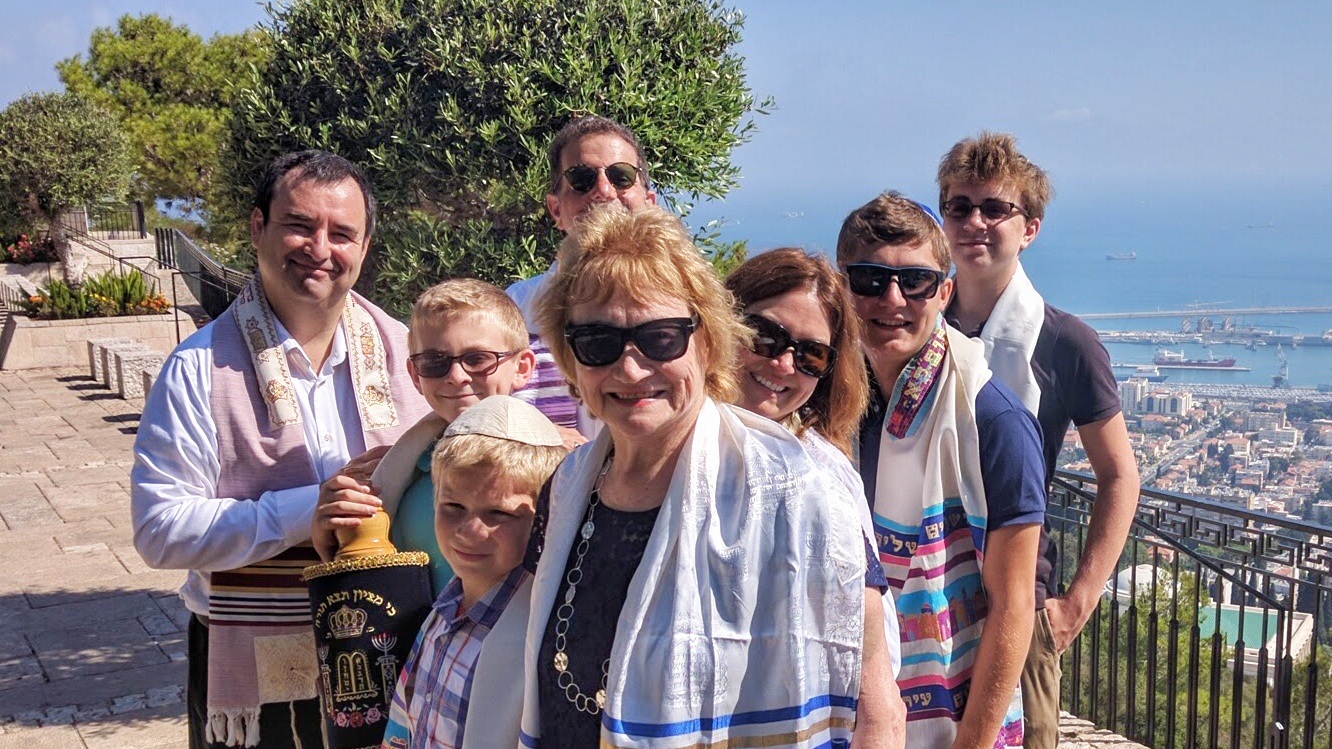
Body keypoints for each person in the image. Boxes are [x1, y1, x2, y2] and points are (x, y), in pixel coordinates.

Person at [520, 205, 900, 748]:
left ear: (707, 341)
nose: (630, 368)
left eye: (661, 338)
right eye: (598, 341)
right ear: (569, 357)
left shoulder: (800, 494)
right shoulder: (567, 487)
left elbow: (879, 713)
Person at [131, 150, 430, 749]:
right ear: (257, 228)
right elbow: (159, 530)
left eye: (341, 233)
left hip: (397, 650)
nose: (320, 248)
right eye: (299, 225)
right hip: (256, 662)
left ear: (364, 247)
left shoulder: (411, 353)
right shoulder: (198, 367)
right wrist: (308, 509)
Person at [937, 132, 1140, 748]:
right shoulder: (916, 325)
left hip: (1020, 599)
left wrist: (1079, 601)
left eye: (994, 208)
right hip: (919, 590)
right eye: (959, 206)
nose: (975, 222)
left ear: (1029, 228)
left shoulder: (1065, 343)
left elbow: (1119, 475)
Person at [837, 192, 1046, 748]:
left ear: (944, 293)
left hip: (950, 719)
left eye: (916, 282)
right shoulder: (826, 406)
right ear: (842, 288)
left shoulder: (992, 419)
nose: (893, 299)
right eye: (869, 279)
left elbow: (1013, 606)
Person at [724, 247, 903, 672]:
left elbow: (873, 641)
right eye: (765, 336)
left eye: (811, 355)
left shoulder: (826, 478)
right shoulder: (660, 444)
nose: (784, 364)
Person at [311, 279, 537, 594]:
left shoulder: (552, 468)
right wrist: (333, 535)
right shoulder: (397, 474)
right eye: (434, 363)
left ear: (522, 367)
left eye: (477, 359)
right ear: (415, 375)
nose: (456, 376)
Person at [379, 395, 568, 749]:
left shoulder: (542, 638)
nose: (470, 531)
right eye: (453, 506)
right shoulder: (442, 610)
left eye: (499, 514)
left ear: (544, 518)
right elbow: (406, 723)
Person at [506, 115, 656, 439]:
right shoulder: (515, 310)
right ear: (555, 209)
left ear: (650, 202)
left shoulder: (689, 304)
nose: (603, 190)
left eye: (621, 176)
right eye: (582, 178)